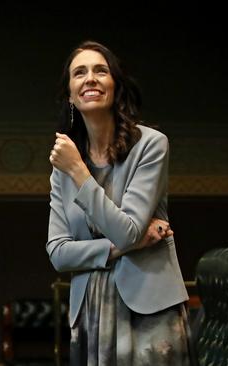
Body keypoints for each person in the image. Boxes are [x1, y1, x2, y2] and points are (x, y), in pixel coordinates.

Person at [46, 41, 195, 365]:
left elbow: (126, 230)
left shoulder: (151, 145)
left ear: (116, 85)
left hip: (150, 310)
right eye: (79, 72)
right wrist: (119, 248)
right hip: (92, 311)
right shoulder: (63, 165)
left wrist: (79, 172)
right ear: (70, 94)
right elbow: (58, 253)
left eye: (101, 70)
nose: (91, 78)